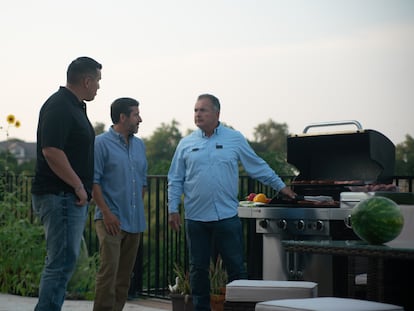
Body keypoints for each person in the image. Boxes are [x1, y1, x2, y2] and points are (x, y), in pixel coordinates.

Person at [167, 94, 296, 311]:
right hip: (195, 218)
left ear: (217, 113)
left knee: (236, 268)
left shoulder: (234, 138)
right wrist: (172, 209)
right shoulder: (186, 143)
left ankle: (241, 309)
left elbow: (258, 166)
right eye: (196, 110)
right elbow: (175, 178)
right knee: (198, 270)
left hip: (226, 217)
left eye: (203, 110)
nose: (198, 114)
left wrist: (281, 187)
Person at [31, 56, 102, 311]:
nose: (98, 88)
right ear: (86, 80)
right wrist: (78, 186)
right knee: (61, 262)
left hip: (66, 196)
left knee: (64, 261)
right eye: (97, 82)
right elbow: (51, 150)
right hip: (59, 195)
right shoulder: (60, 106)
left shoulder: (73, 106)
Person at [92, 97, 147, 311]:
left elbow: (143, 181)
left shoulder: (140, 146)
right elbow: (93, 181)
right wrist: (106, 213)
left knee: (124, 278)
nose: (140, 119)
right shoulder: (100, 143)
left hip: (134, 222)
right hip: (110, 220)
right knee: (108, 273)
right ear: (122, 117)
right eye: (136, 114)